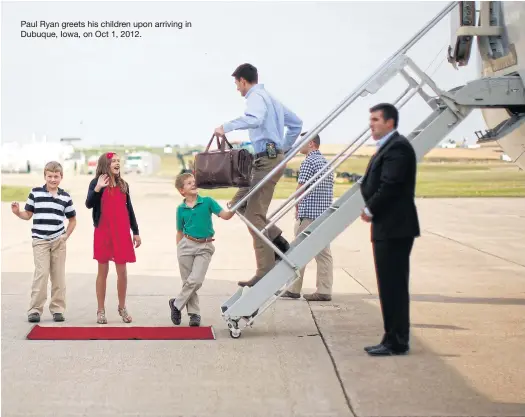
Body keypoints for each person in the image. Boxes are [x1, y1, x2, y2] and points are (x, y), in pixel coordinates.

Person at [214, 63, 303, 287]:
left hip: (267, 160)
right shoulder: (270, 98)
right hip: (266, 159)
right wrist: (283, 149)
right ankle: (277, 240)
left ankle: (265, 271)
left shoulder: (255, 97)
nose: (237, 89)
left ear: (244, 80)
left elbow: (254, 119)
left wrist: (226, 126)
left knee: (254, 216)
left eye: (237, 84)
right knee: (242, 206)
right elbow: (296, 124)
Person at [359, 103, 420, 356]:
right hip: (389, 227)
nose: (371, 124)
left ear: (390, 123)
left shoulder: (398, 148)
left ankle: (397, 341)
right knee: (388, 285)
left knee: (393, 285)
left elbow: (391, 185)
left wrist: (370, 209)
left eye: (375, 119)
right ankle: (391, 337)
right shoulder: (389, 146)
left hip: (395, 227)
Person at [11, 161, 77, 323]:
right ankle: (34, 309)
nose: (53, 179)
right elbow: (28, 215)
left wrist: (65, 237)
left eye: (56, 176)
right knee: (41, 274)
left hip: (58, 241)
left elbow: (73, 220)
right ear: (45, 176)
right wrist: (17, 212)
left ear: (61, 177)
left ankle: (57, 309)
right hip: (40, 240)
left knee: (58, 276)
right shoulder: (35, 193)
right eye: (50, 176)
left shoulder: (65, 197)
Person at [169, 173, 234, 326]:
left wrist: (236, 206)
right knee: (188, 282)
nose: (193, 184)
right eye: (189, 183)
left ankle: (176, 304)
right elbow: (179, 231)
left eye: (194, 182)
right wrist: (179, 249)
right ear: (181, 190)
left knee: (195, 280)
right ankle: (194, 315)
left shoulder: (207, 202)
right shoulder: (181, 209)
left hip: (204, 246)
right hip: (186, 245)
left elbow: (225, 215)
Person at [85, 152, 142, 325]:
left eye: (118, 161)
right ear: (105, 164)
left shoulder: (123, 184)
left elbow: (129, 209)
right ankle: (100, 309)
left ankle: (122, 307)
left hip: (121, 232)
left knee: (122, 272)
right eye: (113, 161)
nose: (117, 163)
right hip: (104, 231)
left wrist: (136, 231)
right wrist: (98, 188)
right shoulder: (96, 183)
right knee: (102, 271)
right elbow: (89, 204)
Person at [280, 132, 334, 301]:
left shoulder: (309, 161)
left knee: (298, 251)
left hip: (309, 215)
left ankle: (293, 289)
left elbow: (300, 189)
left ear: (311, 143)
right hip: (323, 215)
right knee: (324, 253)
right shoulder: (325, 162)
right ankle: (324, 290)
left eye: (301, 141)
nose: (298, 145)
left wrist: (297, 207)